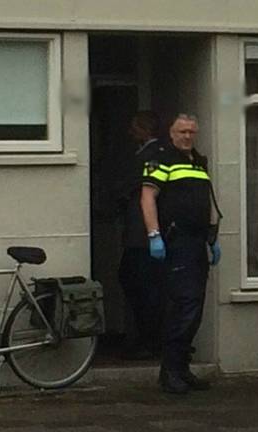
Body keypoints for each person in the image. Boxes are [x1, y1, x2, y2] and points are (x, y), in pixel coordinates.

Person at [140, 113, 222, 394]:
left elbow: (206, 200)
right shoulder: (162, 158)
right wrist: (154, 235)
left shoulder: (198, 162)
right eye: (182, 131)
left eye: (192, 132)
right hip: (177, 243)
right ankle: (170, 371)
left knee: (195, 308)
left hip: (197, 242)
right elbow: (148, 196)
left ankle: (182, 368)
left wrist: (212, 237)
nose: (187, 136)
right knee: (182, 306)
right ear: (171, 133)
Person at [117, 111, 165, 360]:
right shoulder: (146, 154)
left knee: (144, 288)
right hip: (138, 235)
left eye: (134, 128)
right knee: (136, 283)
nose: (130, 133)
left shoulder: (152, 156)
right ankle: (146, 338)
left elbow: (137, 189)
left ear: (146, 130)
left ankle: (150, 341)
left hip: (142, 235)